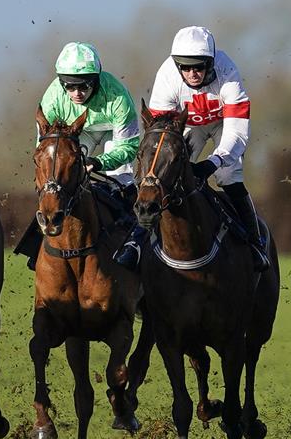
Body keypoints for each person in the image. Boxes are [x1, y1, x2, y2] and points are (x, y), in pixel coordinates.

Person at [114, 25, 268, 271]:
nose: (192, 73)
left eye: (199, 66)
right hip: (188, 125)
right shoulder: (166, 76)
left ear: (211, 62)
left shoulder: (228, 72)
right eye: (185, 66)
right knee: (163, 175)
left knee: (227, 175)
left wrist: (213, 162)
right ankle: (137, 241)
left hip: (222, 124)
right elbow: (159, 135)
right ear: (177, 65)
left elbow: (237, 133)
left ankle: (255, 242)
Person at [12, 41, 141, 267]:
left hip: (114, 134)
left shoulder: (118, 96)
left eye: (84, 86)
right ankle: (38, 246)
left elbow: (128, 148)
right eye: (70, 87)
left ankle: (136, 242)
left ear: (96, 80)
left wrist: (98, 162)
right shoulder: (52, 98)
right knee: (58, 181)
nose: (77, 93)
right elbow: (44, 151)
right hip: (77, 134)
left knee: (122, 179)